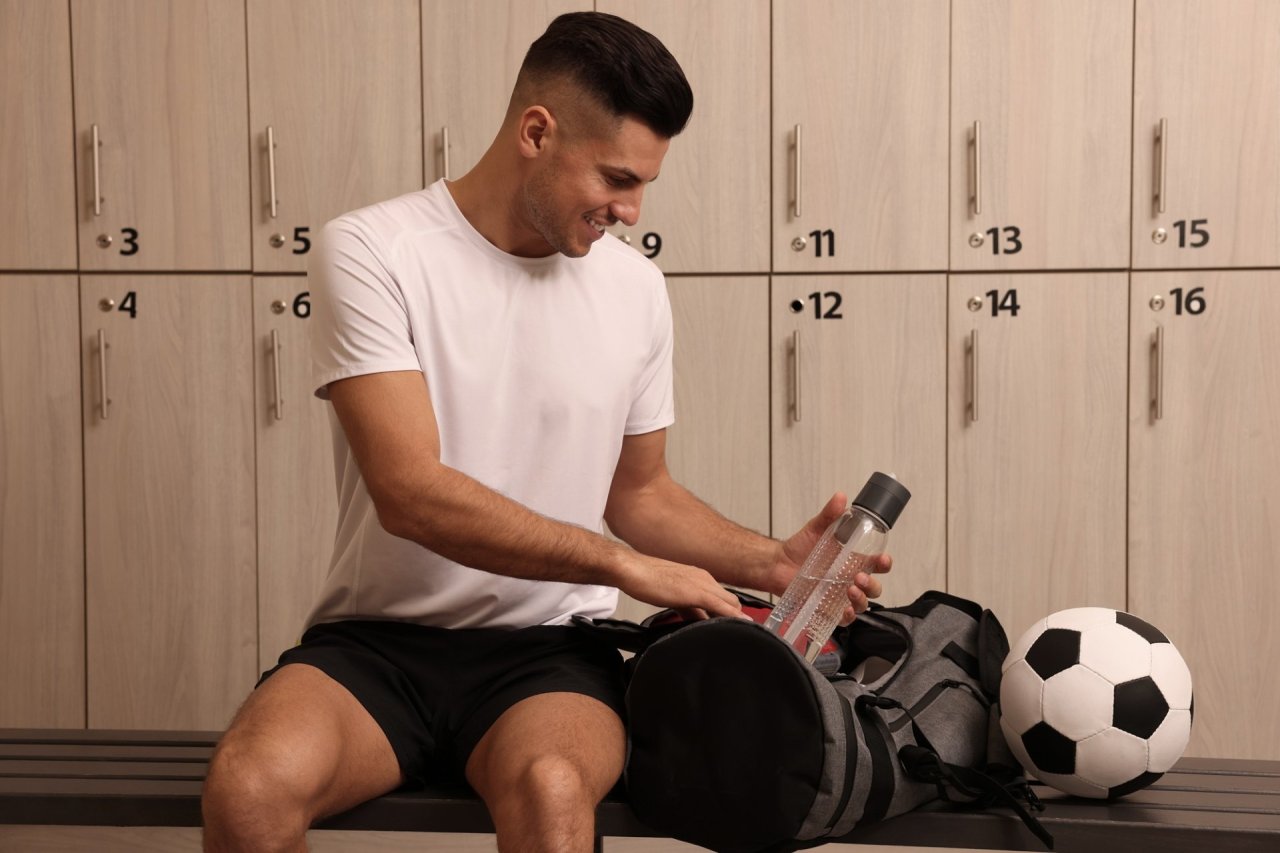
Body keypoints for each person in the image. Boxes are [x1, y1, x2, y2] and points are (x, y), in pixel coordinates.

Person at [201, 11, 890, 853]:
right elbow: (410, 493)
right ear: (538, 131)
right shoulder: (375, 251)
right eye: (616, 177)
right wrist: (620, 564)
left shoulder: (635, 290)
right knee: (248, 789)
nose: (632, 210)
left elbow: (638, 493)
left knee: (552, 789)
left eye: (644, 185)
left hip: (550, 658)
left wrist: (770, 563)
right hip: (378, 646)